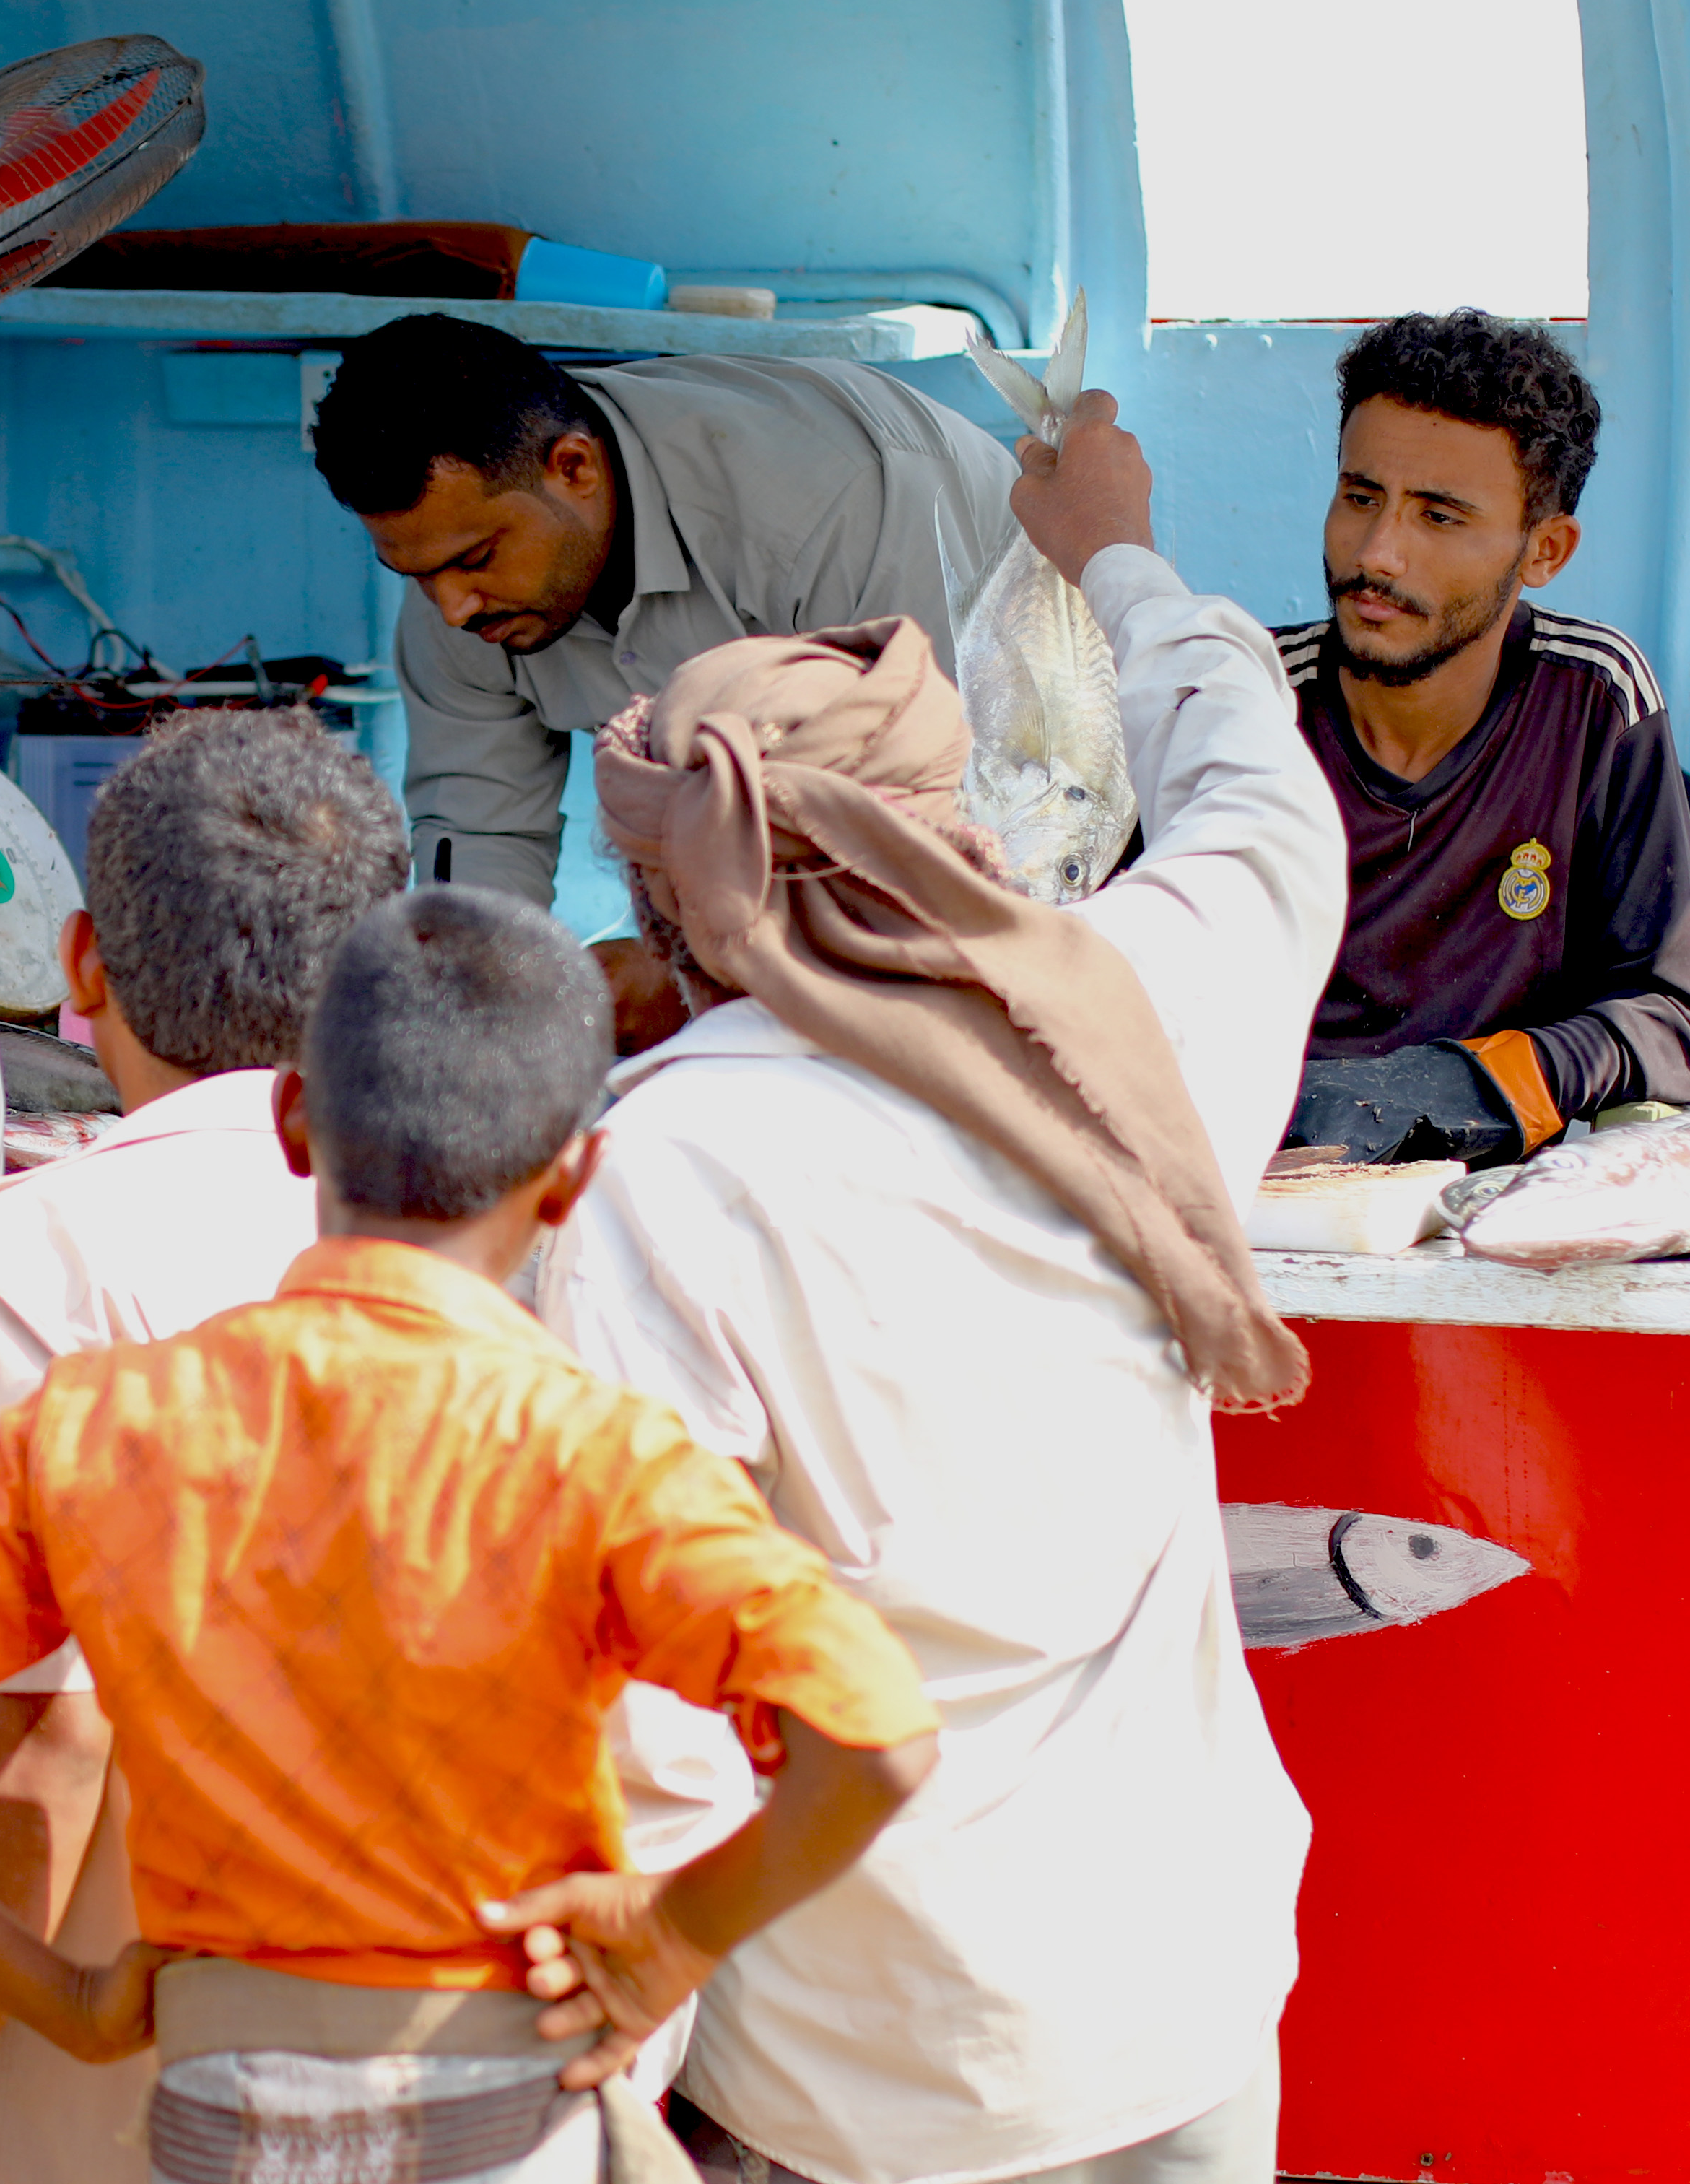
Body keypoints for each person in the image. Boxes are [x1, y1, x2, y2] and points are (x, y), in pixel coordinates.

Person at [0, 887, 945, 2184]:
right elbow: (877, 1738)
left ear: (291, 1122)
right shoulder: (602, 1454)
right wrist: (675, 1931)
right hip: (518, 2111)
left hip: (224, 2109)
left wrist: (60, 1990)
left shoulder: (106, 1429)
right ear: (571, 1175)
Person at [543, 390, 1332, 2184]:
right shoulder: (1139, 1006)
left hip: (857, 2061)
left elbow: (649, 1705)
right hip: (1174, 1999)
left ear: (674, 903)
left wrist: (618, 2073)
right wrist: (1113, 552)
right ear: (943, 808)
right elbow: (1259, 792)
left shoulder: (665, 1171)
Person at [0, 710, 407, 2184]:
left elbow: (42, 1735)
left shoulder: (42, 1259)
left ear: (78, 964)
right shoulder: (495, 1218)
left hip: (132, 2049)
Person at [309, 313, 1021, 1045]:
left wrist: (701, 971)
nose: (452, 607)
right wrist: (482, 1011)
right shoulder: (456, 568)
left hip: (1020, 796)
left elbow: (936, 832)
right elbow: (479, 843)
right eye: (416, 574)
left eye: (477, 559)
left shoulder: (826, 511)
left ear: (574, 469)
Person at [1271, 310, 1690, 1167]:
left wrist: (1456, 1089)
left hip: (1495, 1215)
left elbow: (1679, 1018)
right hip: (1249, 1190)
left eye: (1438, 517)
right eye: (1360, 496)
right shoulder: (1247, 698)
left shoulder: (1592, 692)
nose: (1377, 553)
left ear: (1543, 551)